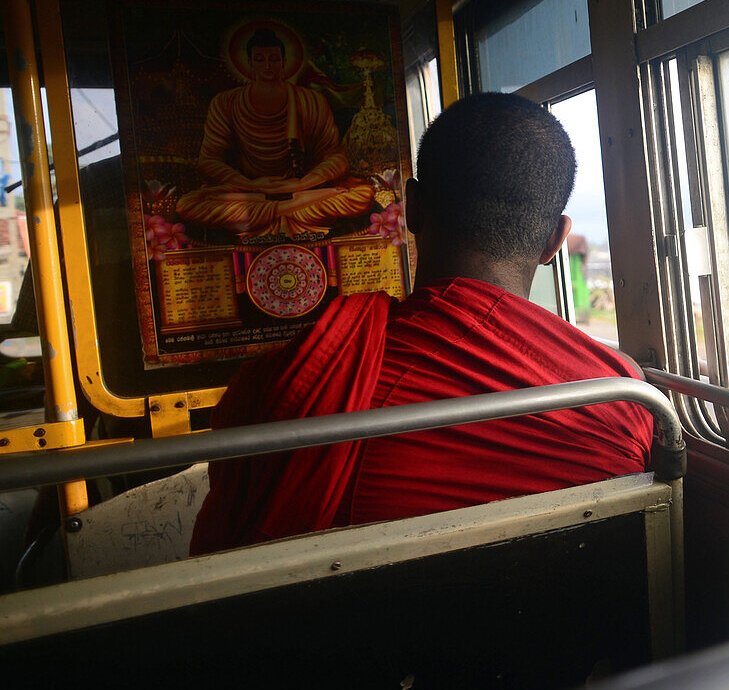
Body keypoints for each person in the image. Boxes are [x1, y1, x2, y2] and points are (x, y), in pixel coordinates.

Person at [190, 93, 652, 555]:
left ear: (411, 207)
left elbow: (224, 563)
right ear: (556, 240)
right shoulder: (622, 393)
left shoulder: (279, 387)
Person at [176, 27, 374, 237]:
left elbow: (336, 158)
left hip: (302, 188)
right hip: (251, 194)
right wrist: (251, 184)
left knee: (363, 195)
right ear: (250, 64)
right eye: (260, 60)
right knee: (187, 205)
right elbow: (209, 162)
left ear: (283, 61)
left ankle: (273, 211)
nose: (267, 66)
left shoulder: (311, 100)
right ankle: (286, 209)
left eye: (273, 59)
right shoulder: (226, 103)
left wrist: (303, 183)